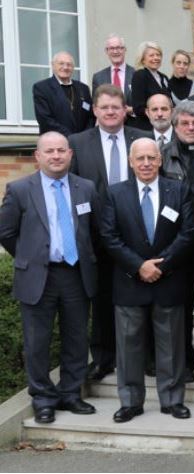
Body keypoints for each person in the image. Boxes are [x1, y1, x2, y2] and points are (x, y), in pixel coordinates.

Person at [0, 132, 101, 424]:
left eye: (61, 151)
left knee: (76, 338)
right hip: (37, 277)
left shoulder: (86, 188)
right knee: (37, 342)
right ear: (38, 156)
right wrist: (28, 257)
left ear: (70, 154)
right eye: (50, 151)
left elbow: (94, 232)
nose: (56, 156)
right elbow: (6, 232)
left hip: (75, 274)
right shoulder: (20, 189)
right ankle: (43, 398)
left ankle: (70, 393)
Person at [99, 138, 194, 423]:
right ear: (131, 162)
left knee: (172, 346)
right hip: (130, 283)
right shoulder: (115, 193)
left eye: (151, 158)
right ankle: (130, 401)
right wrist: (139, 266)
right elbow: (109, 236)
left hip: (168, 281)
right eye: (140, 158)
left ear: (160, 160)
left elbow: (188, 232)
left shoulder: (178, 190)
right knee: (128, 348)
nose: (145, 163)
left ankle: (172, 399)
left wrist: (160, 267)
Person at [68, 85, 152, 381]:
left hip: (137, 233)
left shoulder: (143, 139)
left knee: (142, 297)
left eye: (116, 107)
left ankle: (144, 358)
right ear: (95, 110)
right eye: (104, 107)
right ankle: (104, 358)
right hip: (95, 236)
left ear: (125, 109)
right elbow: (74, 189)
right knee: (101, 298)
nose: (111, 112)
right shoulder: (77, 143)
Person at [160, 100, 194, 381]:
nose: (191, 128)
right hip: (180, 239)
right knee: (181, 302)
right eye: (185, 123)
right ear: (175, 125)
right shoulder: (164, 154)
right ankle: (185, 361)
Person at [33, 51, 94, 136]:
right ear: (53, 65)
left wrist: (83, 137)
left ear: (73, 67)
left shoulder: (83, 88)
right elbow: (44, 119)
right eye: (61, 64)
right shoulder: (42, 88)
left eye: (69, 64)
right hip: (55, 143)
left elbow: (91, 117)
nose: (65, 67)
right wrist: (70, 137)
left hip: (82, 143)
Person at [130, 41, 171, 131]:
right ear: (143, 59)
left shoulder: (163, 77)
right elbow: (138, 107)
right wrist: (157, 114)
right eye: (151, 55)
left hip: (165, 127)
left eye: (158, 55)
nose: (156, 58)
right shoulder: (140, 75)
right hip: (147, 128)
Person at [92, 34, 135, 104]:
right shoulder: (98, 78)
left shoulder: (137, 74)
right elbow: (96, 105)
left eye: (119, 48)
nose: (115, 51)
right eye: (111, 48)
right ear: (106, 51)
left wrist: (130, 110)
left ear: (125, 50)